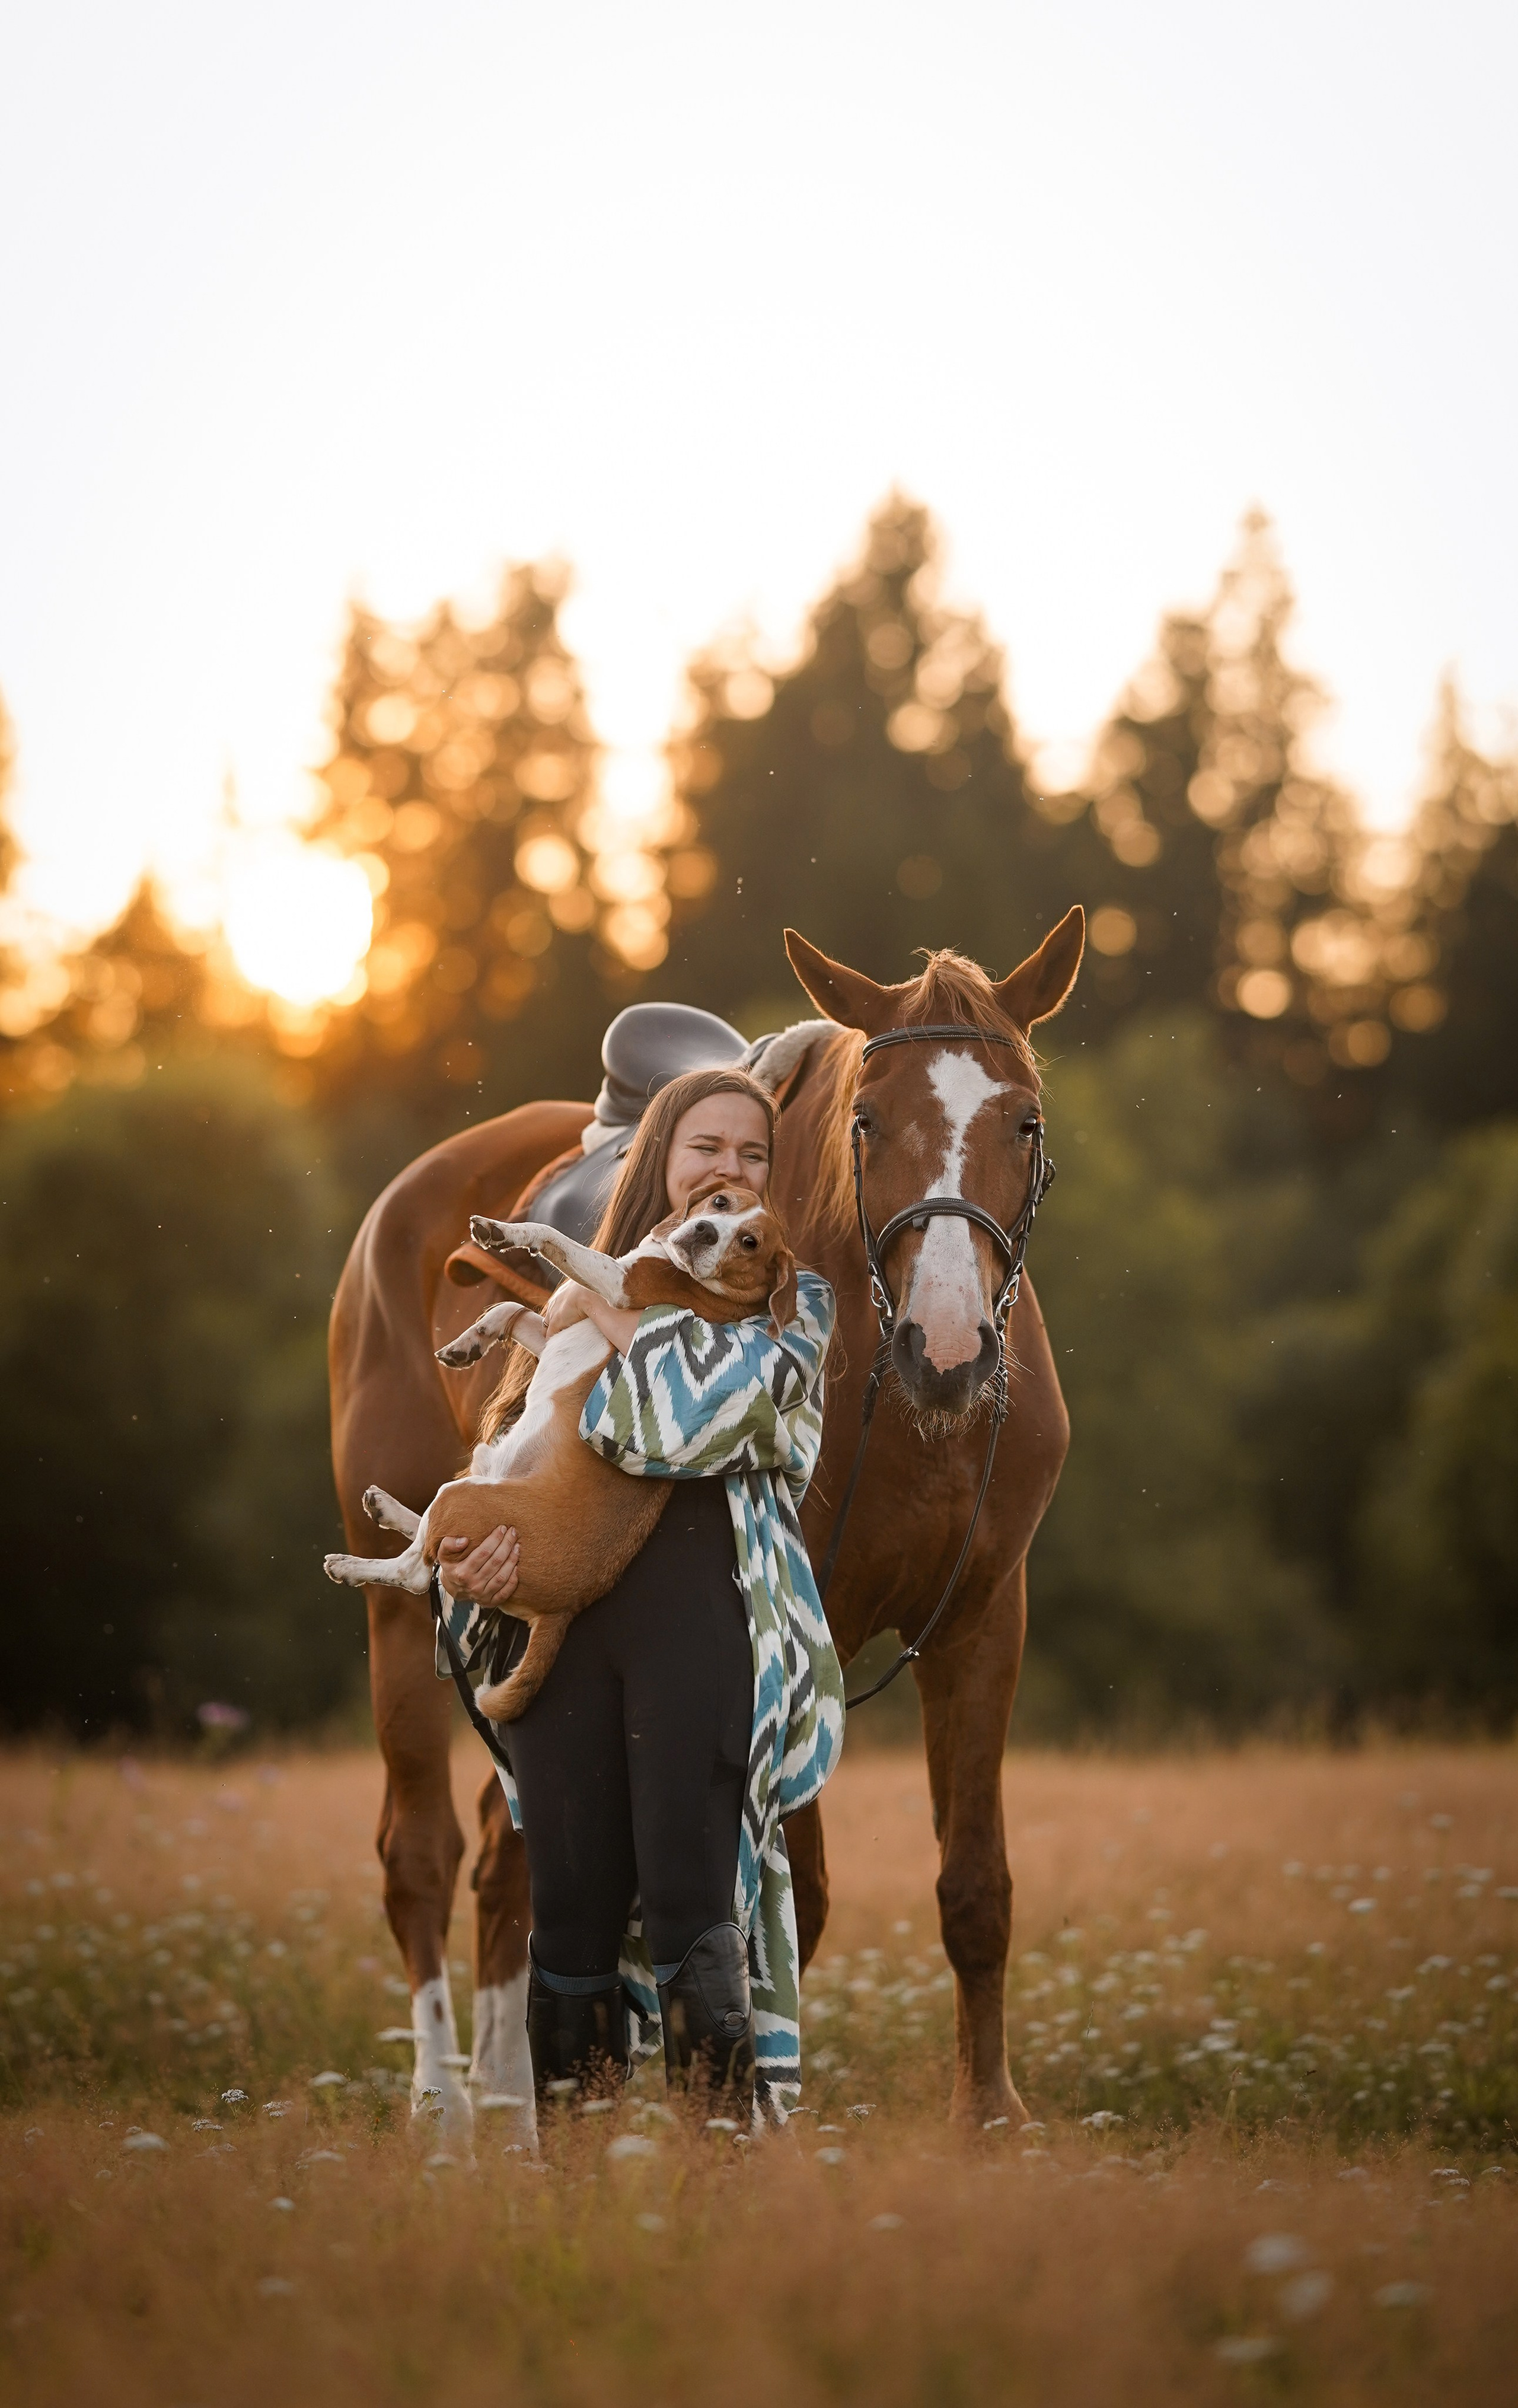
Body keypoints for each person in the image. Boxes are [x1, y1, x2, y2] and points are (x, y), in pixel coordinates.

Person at [434, 1067, 844, 2123]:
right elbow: (514, 1459)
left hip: (700, 1627)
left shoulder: (795, 1303)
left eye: (755, 1155)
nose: (731, 1169)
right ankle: (581, 2192)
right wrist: (475, 1574)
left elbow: (700, 1415)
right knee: (566, 1913)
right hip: (569, 1634)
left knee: (689, 1905)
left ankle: (716, 2184)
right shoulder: (594, 1299)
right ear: (660, 1155)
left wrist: (610, 1306)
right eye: (708, 1146)